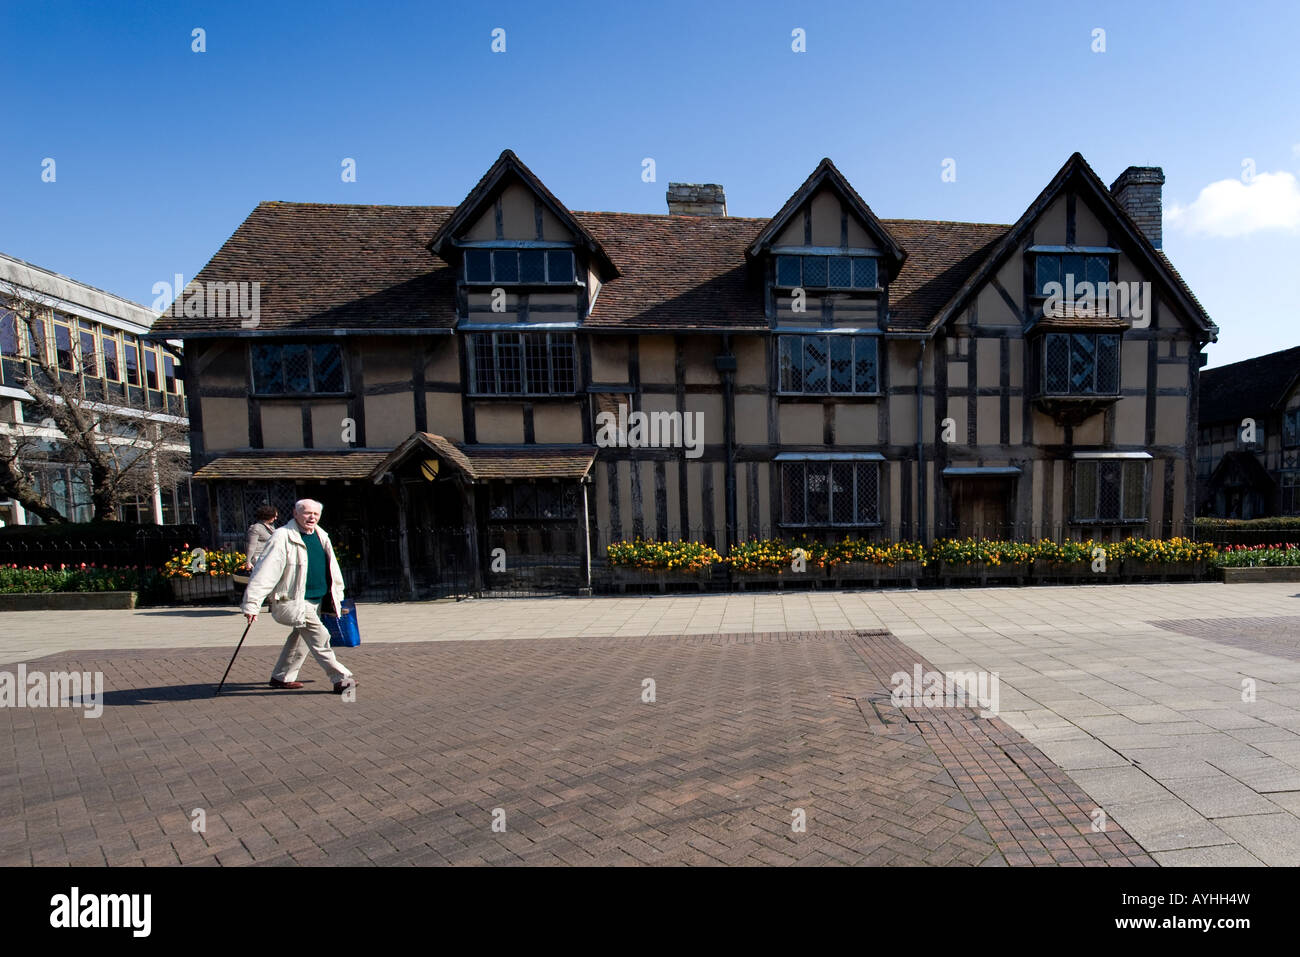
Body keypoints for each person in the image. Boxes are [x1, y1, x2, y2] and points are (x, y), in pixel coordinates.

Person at [240, 498, 357, 694]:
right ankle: (341, 679)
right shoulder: (282, 536)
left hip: (317, 598)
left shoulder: (321, 535)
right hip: (292, 599)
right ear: (295, 514)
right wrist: (252, 604)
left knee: (301, 639)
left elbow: (332, 568)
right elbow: (265, 571)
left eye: (316, 514)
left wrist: (337, 593)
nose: (312, 517)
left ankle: (281, 677)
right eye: (307, 513)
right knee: (321, 636)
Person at [244, 504, 279, 569]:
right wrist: (248, 561)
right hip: (259, 558)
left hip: (270, 556)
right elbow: (252, 545)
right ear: (268, 515)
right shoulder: (256, 527)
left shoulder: (271, 527)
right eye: (274, 516)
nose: (276, 518)